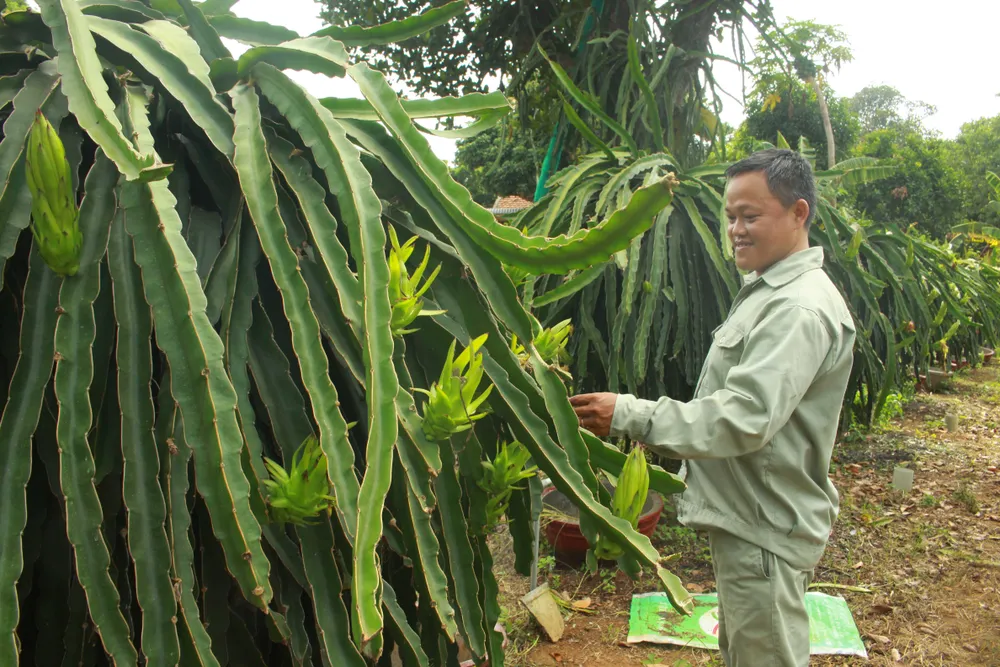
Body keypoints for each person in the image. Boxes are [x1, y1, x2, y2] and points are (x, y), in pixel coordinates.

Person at [569, 149, 856, 666]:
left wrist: (632, 414)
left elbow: (744, 417)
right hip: (754, 520)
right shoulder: (770, 292)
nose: (736, 230)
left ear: (799, 214)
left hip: (763, 529)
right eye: (730, 217)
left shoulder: (796, 309)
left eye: (751, 216)